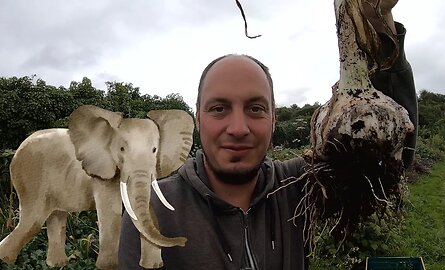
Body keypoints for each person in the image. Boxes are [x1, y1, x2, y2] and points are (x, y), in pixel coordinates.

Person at [117, 1, 417, 269]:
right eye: (219, 109)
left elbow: (385, 148)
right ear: (198, 118)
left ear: (274, 118)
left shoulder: (299, 187)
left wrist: (376, 20)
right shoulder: (152, 209)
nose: (237, 128)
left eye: (256, 109)